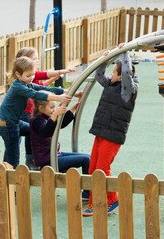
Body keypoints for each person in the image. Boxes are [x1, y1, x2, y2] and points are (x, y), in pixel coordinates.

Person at [82, 43, 138, 216]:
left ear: (121, 77)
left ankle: (112, 199)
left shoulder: (128, 91)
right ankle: (94, 201)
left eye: (114, 72)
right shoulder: (110, 84)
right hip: (100, 131)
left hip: (113, 135)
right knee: (93, 169)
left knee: (102, 169)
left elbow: (127, 72)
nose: (111, 74)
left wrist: (125, 53)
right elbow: (99, 75)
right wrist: (105, 61)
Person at [0, 56, 79, 169]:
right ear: (18, 74)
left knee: (34, 131)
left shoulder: (26, 83)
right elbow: (35, 94)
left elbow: (44, 89)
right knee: (14, 158)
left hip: (14, 122)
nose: (31, 78)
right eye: (28, 75)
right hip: (7, 124)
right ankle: (10, 180)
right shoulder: (18, 87)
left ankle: (30, 160)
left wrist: (71, 92)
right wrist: (58, 98)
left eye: (33, 74)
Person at [14, 47, 76, 170]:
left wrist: (52, 81)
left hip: (31, 110)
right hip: (25, 112)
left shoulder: (30, 75)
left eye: (37, 58)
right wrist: (61, 71)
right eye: (33, 59)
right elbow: (44, 76)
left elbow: (40, 86)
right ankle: (29, 159)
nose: (37, 61)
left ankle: (30, 160)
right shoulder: (29, 74)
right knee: (26, 137)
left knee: (28, 136)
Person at [30, 93, 90, 200]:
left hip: (54, 155)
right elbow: (46, 132)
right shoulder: (37, 121)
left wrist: (71, 110)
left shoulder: (47, 117)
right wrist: (54, 115)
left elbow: (60, 124)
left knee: (88, 157)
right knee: (85, 160)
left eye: (54, 107)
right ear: (41, 108)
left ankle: (90, 189)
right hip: (48, 161)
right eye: (51, 107)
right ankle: (87, 193)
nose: (54, 109)